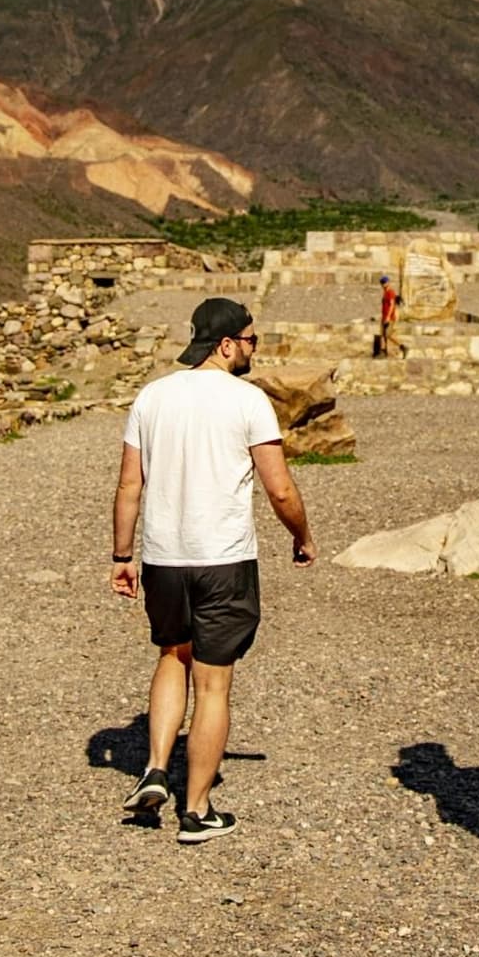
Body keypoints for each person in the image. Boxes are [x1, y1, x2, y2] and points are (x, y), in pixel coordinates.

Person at [110, 297, 317, 843]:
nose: (254, 348)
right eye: (250, 340)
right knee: (214, 683)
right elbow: (279, 488)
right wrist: (302, 535)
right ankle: (197, 810)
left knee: (172, 654)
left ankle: (156, 768)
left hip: (162, 558)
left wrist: (121, 556)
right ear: (226, 344)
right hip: (222, 558)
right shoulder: (247, 400)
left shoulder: (151, 397)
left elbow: (131, 484)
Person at [379, 274, 406, 357]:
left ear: (388, 282)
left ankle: (402, 346)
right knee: (383, 335)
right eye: (382, 282)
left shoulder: (390, 292)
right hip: (384, 317)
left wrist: (388, 317)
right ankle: (383, 352)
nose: (383, 284)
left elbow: (391, 305)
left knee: (388, 335)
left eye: (384, 282)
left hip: (389, 318)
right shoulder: (385, 292)